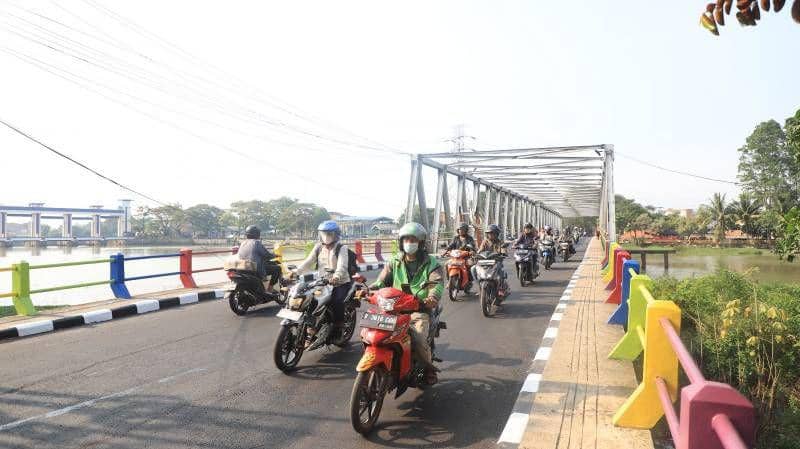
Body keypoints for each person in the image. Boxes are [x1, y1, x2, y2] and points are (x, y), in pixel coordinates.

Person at [371, 222, 443, 384]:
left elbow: (437, 284)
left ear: (421, 242)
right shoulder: (394, 261)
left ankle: (428, 368)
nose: (409, 243)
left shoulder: (432, 263)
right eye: (406, 239)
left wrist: (432, 298)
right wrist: (368, 289)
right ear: (401, 242)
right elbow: (381, 282)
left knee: (417, 338)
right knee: (375, 332)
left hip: (419, 308)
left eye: (413, 240)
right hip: (394, 308)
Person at [293, 220, 352, 340]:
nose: (326, 236)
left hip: (339, 282)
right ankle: (311, 326)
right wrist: (295, 272)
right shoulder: (318, 247)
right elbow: (308, 262)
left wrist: (336, 277)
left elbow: (342, 265)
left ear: (336, 234)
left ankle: (338, 327)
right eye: (323, 233)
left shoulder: (342, 248)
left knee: (336, 301)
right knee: (309, 299)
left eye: (329, 233)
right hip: (322, 282)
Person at [237, 225, 282, 291]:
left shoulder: (243, 243)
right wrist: (275, 255)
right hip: (255, 268)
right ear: (257, 234)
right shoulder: (256, 243)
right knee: (278, 269)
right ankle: (270, 289)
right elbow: (266, 255)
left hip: (243, 268)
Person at [474, 224, 510, 297]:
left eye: (492, 233)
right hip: (485, 262)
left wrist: (503, 253)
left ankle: (500, 288)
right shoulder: (485, 242)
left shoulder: (500, 242)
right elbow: (480, 250)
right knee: (473, 269)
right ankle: (480, 287)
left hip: (496, 261)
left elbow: (504, 251)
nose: (491, 235)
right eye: (489, 233)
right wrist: (476, 254)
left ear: (496, 234)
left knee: (500, 272)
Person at [445, 223, 477, 290]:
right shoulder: (456, 238)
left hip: (466, 257)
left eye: (462, 229)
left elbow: (472, 246)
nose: (461, 231)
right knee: (447, 264)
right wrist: (446, 250)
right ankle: (449, 281)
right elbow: (451, 245)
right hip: (456, 257)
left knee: (470, 265)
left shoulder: (469, 238)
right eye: (459, 229)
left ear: (466, 230)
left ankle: (469, 281)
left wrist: (472, 251)